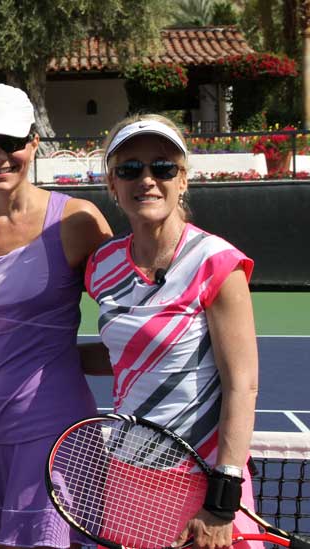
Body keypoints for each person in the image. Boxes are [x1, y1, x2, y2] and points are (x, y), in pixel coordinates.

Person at [84, 114, 261, 549]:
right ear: (112, 185)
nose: (146, 179)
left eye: (162, 167)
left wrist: (223, 496)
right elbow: (127, 356)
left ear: (183, 180)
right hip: (128, 475)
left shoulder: (216, 261)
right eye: (129, 169)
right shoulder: (100, 266)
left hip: (204, 478)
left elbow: (243, 384)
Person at [0, 83, 112, 549]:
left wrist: (59, 359)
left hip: (57, 431)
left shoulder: (78, 222)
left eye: (12, 143)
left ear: (34, 142)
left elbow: (131, 327)